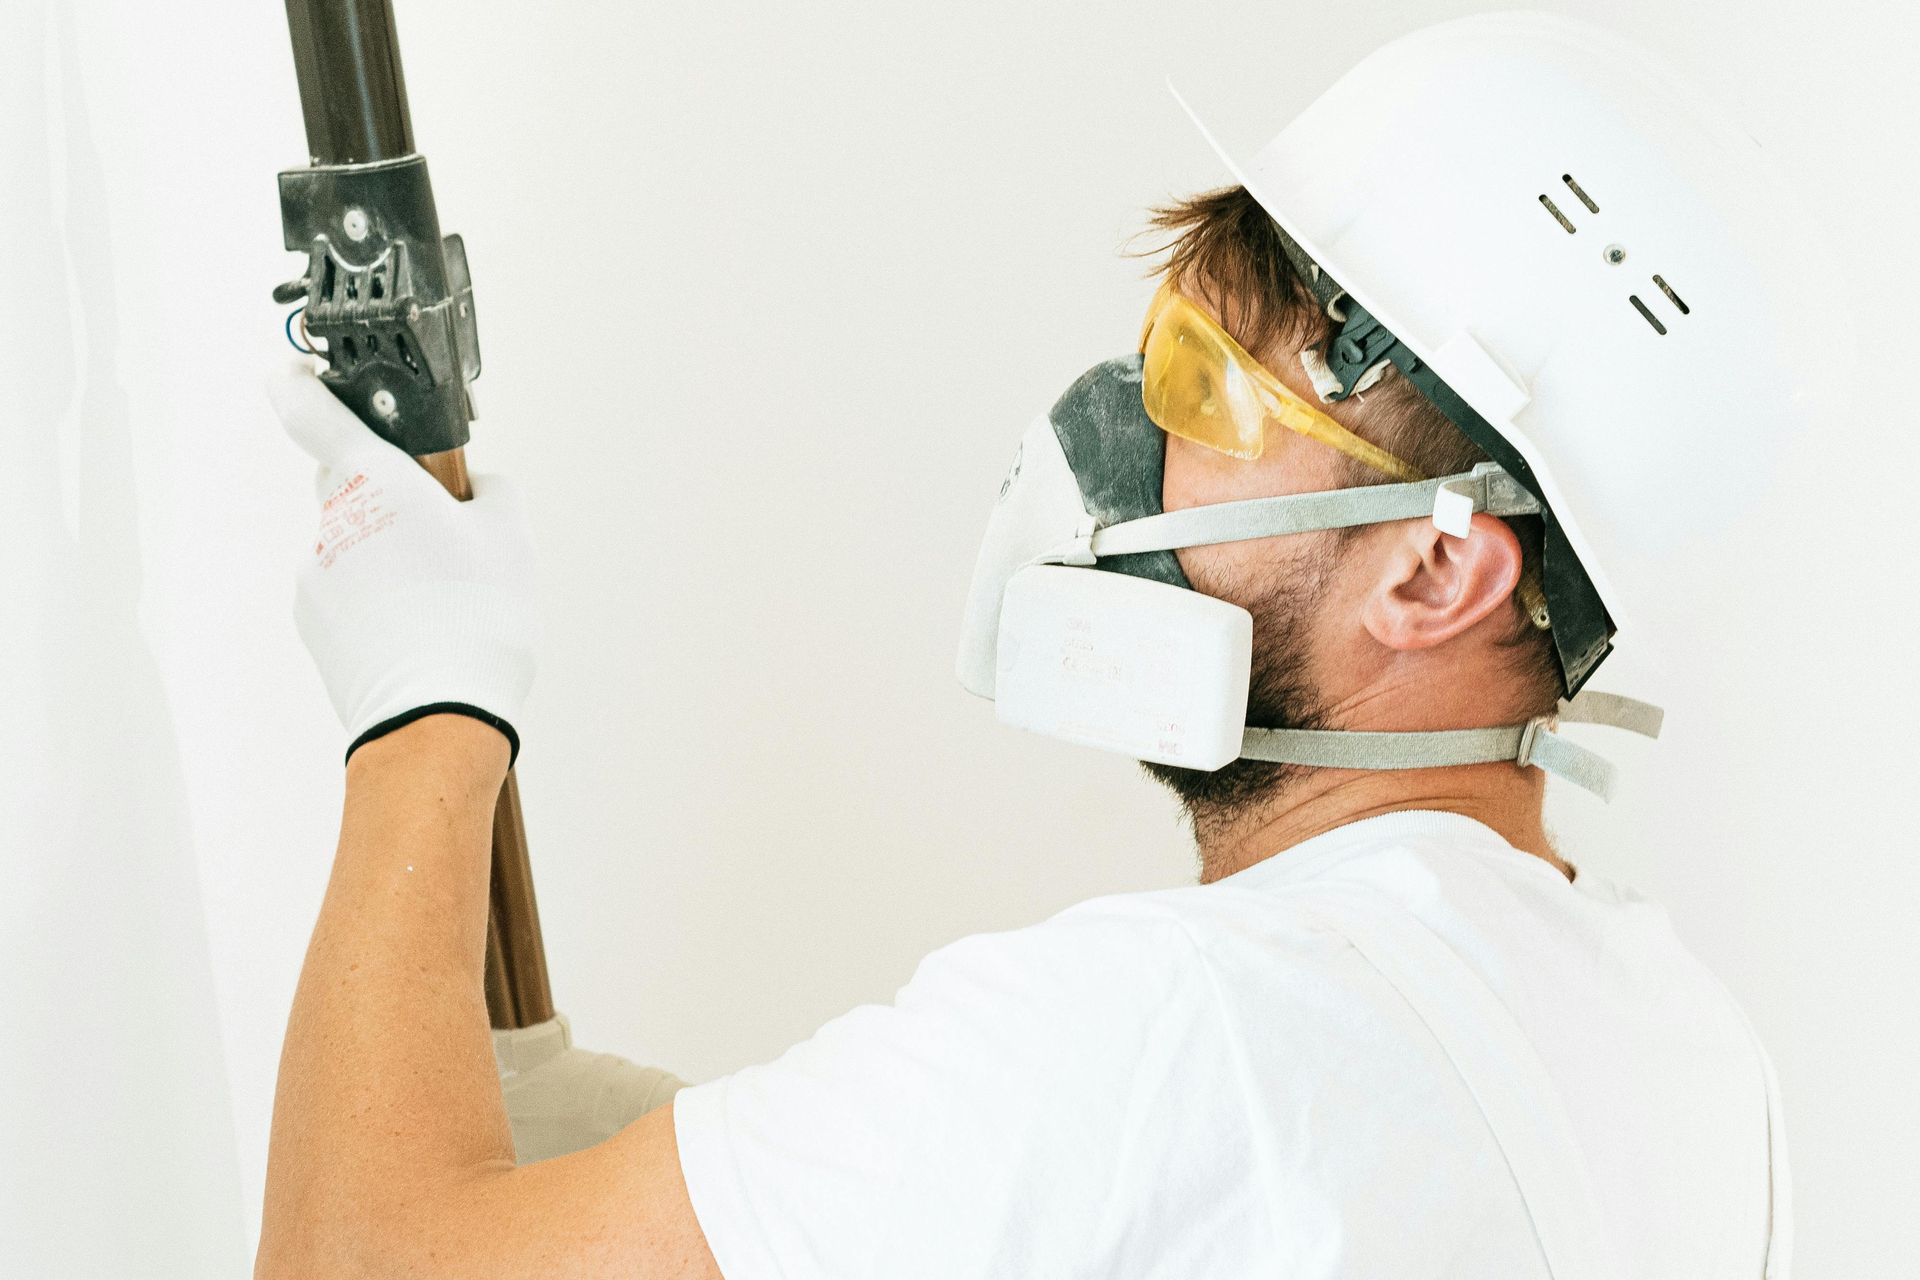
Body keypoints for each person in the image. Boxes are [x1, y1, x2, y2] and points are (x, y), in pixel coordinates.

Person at [255, 14, 1801, 1279]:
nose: (1116, 432)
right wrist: (642, 1163)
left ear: (1434, 569)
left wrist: (424, 706)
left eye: (1205, 385)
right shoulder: (1685, 1066)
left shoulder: (1175, 1032)